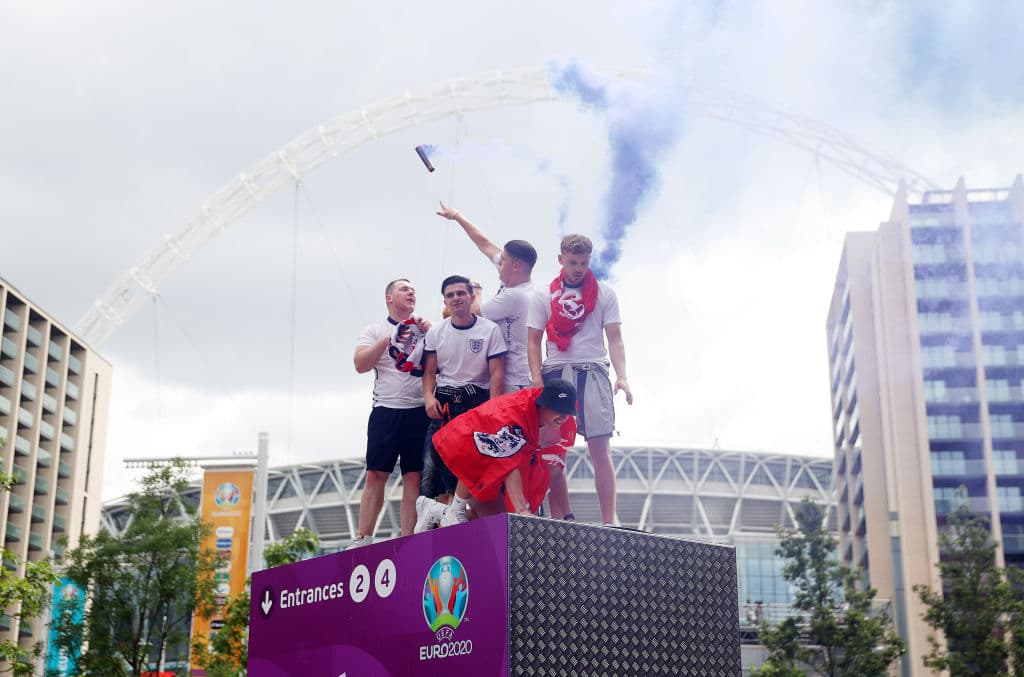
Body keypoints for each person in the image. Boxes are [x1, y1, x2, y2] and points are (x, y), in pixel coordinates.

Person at [527, 234, 633, 525]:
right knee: (550, 448)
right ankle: (560, 518)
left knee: (600, 447)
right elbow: (533, 340)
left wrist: (622, 376)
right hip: (557, 371)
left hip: (594, 370)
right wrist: (536, 378)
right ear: (561, 259)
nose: (577, 268)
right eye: (572, 262)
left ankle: (610, 522)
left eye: (583, 263)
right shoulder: (543, 295)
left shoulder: (604, 293)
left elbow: (615, 338)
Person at [415, 379, 578, 529]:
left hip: (477, 456)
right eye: (559, 410)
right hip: (454, 449)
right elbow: (509, 463)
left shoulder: (542, 418)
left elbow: (549, 470)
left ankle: (435, 510)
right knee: (495, 524)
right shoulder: (516, 416)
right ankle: (454, 509)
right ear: (544, 404)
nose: (564, 416)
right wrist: (522, 509)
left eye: (567, 412)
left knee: (497, 521)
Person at [350, 278, 432, 547]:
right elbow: (360, 364)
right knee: (376, 473)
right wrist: (388, 340)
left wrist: (430, 333)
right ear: (389, 298)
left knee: (413, 477)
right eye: (404, 289)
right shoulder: (375, 329)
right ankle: (364, 538)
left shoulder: (425, 327)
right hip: (386, 409)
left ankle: (408, 539)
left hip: (418, 410)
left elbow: (442, 363)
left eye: (413, 290)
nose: (411, 292)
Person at [418, 275, 506, 510]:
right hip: (444, 403)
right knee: (431, 469)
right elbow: (429, 371)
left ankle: (470, 526)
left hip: (475, 402)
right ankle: (439, 530)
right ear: (445, 301)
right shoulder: (437, 332)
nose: (456, 298)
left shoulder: (490, 330)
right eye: (450, 295)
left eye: (460, 293)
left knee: (473, 472)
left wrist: (492, 411)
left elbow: (497, 375)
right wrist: (428, 397)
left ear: (471, 296)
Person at [436, 202, 538, 392]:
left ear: (516, 266)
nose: (500, 261)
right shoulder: (515, 279)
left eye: (504, 260)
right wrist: (456, 215)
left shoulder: (515, 296)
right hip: (509, 375)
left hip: (515, 380)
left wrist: (475, 290)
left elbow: (468, 311)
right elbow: (484, 243)